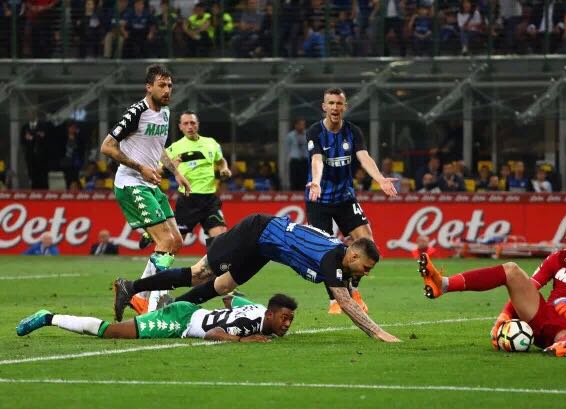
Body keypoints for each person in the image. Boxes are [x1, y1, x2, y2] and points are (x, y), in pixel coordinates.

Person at [113, 214, 401, 343]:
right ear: (353, 255)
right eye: (366, 267)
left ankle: (172, 309)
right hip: (256, 232)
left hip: (265, 248)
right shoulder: (330, 260)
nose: (366, 273)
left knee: (224, 285)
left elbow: (346, 287)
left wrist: (353, 281)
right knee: (199, 274)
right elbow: (346, 303)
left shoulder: (340, 260)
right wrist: (378, 333)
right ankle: (132, 287)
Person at [419, 213, 566, 357]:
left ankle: (564, 345)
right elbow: (528, 287)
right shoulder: (559, 258)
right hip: (541, 317)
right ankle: (443, 284)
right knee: (511, 270)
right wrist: (505, 315)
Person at [100, 64, 191, 315]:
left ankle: (136, 294)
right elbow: (107, 146)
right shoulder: (136, 112)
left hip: (150, 184)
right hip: (131, 183)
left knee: (176, 241)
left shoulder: (165, 113)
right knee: (165, 240)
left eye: (170, 85)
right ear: (149, 87)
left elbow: (158, 148)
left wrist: (177, 173)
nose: (167, 90)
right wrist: (141, 168)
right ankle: (154, 306)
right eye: (162, 85)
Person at [306, 88, 399, 314]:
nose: (335, 107)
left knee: (367, 242)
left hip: (345, 198)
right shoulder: (315, 131)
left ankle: (354, 290)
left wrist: (380, 179)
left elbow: (364, 157)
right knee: (325, 251)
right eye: (331, 103)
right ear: (324, 107)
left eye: (339, 103)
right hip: (319, 199)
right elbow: (317, 159)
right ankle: (335, 300)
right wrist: (316, 181)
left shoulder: (352, 131)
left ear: (344, 107)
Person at [17, 293, 296, 343]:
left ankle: (150, 304)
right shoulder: (249, 324)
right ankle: (48, 317)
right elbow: (213, 335)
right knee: (110, 332)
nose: (286, 324)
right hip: (180, 321)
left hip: (191, 312)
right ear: (270, 314)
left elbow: (230, 298)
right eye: (283, 318)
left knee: (145, 317)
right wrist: (243, 340)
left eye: (290, 320)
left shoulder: (258, 308)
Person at [139, 111, 231, 250]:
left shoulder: (211, 143)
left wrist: (224, 168)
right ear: (180, 127)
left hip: (210, 201)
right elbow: (157, 172)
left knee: (220, 242)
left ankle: (212, 265)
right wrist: (171, 167)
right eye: (186, 123)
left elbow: (221, 160)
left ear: (197, 124)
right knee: (174, 246)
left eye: (192, 123)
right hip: (188, 201)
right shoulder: (175, 148)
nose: (190, 126)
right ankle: (153, 234)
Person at [286, 118, 308, 191]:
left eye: (303, 125)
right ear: (296, 125)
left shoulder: (308, 134)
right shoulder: (290, 135)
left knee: (304, 179)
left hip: (305, 160)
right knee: (294, 179)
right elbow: (287, 147)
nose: (302, 126)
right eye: (300, 124)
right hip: (295, 160)